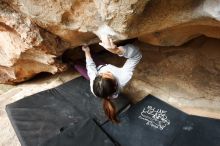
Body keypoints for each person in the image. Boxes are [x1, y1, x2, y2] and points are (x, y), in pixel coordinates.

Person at [82, 36, 142, 123]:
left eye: (103, 74)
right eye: (106, 74)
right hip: (101, 68)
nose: (106, 71)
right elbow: (137, 55)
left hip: (97, 70)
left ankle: (75, 63)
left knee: (79, 67)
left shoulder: (94, 88)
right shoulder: (123, 77)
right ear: (115, 83)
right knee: (92, 63)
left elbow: (91, 70)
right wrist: (118, 51)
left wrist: (87, 52)